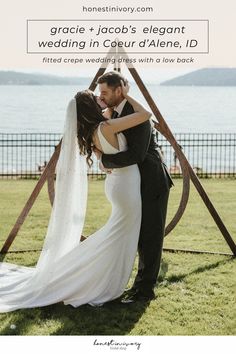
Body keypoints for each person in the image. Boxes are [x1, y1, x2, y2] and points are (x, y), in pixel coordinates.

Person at [0, 81, 151, 313]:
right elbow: (145, 114)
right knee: (117, 236)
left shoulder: (94, 131)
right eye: (97, 97)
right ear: (90, 107)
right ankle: (89, 279)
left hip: (118, 185)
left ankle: (89, 276)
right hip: (126, 188)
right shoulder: (107, 127)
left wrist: (111, 103)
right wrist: (126, 95)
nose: (101, 99)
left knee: (117, 235)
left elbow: (105, 153)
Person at [94, 71, 174, 303]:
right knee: (139, 236)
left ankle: (144, 291)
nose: (102, 96)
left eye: (106, 92)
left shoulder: (137, 116)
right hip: (136, 183)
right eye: (100, 93)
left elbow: (136, 155)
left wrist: (104, 162)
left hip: (153, 182)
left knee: (150, 237)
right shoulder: (114, 112)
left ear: (120, 90)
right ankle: (137, 285)